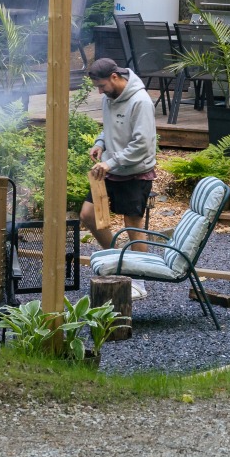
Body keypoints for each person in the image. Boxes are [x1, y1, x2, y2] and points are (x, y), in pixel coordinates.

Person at [79, 58, 157, 299]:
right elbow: (109, 127)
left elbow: (142, 144)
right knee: (88, 215)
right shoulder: (109, 97)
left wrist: (110, 162)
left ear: (115, 77)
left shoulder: (140, 101)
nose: (100, 92)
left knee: (132, 226)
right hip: (110, 168)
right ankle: (120, 262)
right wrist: (100, 143)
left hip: (135, 171)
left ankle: (140, 283)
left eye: (102, 86)